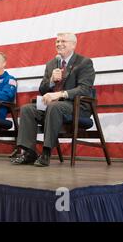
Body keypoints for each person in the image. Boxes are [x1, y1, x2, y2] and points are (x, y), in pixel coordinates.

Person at [12, 32, 95, 167]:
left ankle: (46, 152)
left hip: (75, 106)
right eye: (57, 41)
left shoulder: (84, 62)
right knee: (27, 109)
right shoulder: (51, 64)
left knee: (54, 106)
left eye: (63, 41)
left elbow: (84, 89)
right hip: (53, 107)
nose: (59, 44)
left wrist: (60, 94)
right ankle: (29, 152)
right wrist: (50, 81)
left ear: (73, 45)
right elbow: (42, 90)